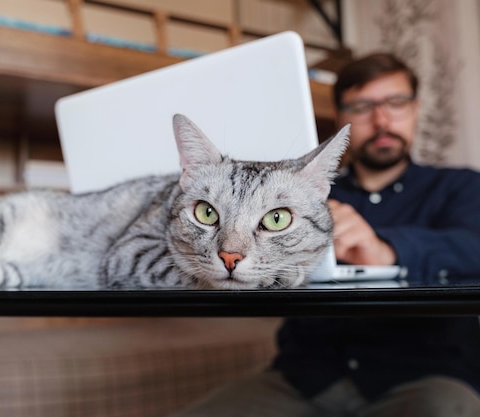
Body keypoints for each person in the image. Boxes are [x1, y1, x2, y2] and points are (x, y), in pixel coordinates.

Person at [171, 53, 480, 416]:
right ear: (340, 117)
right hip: (305, 377)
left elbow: (473, 247)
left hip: (425, 376)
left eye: (395, 103)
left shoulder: (460, 186)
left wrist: (387, 250)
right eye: (362, 106)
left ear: (415, 108)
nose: (381, 119)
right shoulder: (293, 193)